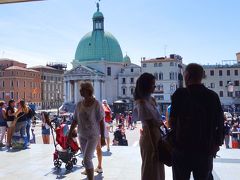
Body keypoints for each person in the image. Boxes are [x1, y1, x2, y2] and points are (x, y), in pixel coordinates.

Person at [169, 63, 224, 180]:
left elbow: (171, 122)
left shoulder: (179, 94)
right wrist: (217, 144)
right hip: (205, 149)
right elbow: (219, 123)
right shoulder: (213, 96)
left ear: (187, 75)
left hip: (181, 149)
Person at [67, 82, 105, 180]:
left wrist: (103, 137)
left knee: (87, 159)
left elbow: (101, 121)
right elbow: (75, 120)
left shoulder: (97, 104)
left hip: (93, 135)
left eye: (82, 89)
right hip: (82, 135)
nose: (80, 91)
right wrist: (69, 134)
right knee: (86, 158)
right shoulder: (79, 104)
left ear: (88, 91)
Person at [133, 73, 165, 180]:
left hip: (155, 135)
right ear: (146, 86)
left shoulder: (151, 100)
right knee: (150, 168)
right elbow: (149, 126)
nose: (155, 87)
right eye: (153, 85)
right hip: (150, 139)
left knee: (156, 167)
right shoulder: (141, 103)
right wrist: (154, 148)